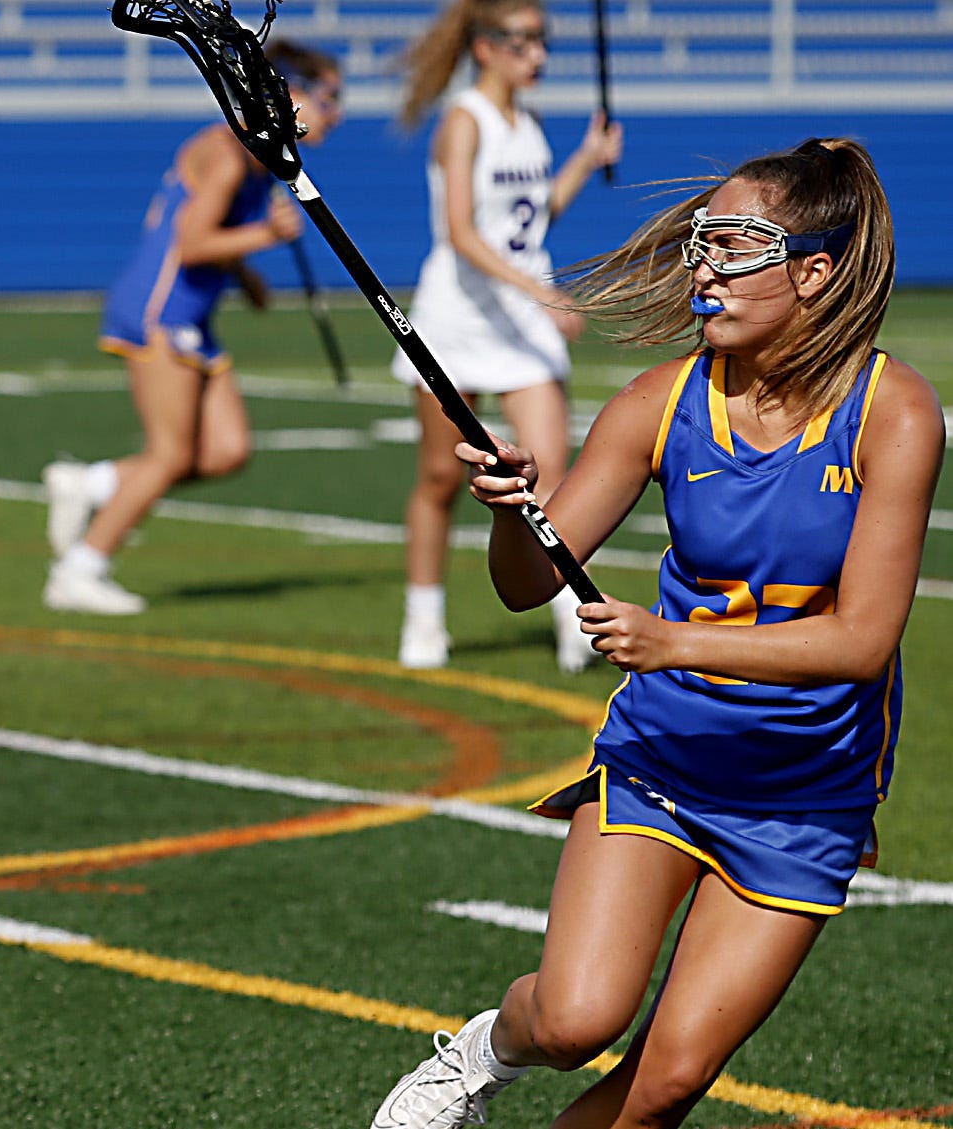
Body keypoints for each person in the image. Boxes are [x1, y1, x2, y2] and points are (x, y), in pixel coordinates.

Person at [371, 138, 935, 1129]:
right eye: (700, 242)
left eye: (735, 244)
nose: (704, 264)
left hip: (806, 798)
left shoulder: (895, 412)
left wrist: (675, 642)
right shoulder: (660, 402)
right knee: (575, 1018)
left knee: (662, 1088)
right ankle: (482, 1053)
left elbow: (861, 641)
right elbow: (527, 584)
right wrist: (512, 509)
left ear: (815, 271)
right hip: (665, 757)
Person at [40, 40, 345, 615]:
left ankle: (93, 485)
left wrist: (248, 274)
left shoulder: (259, 158)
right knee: (169, 455)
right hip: (160, 312)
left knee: (228, 450)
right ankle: (79, 572)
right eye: (328, 97)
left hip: (191, 316)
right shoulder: (231, 154)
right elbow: (192, 241)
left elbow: (211, 238)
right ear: (287, 91)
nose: (338, 112)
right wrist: (266, 239)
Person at [388, 0, 621, 670]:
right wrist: (542, 291)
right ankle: (424, 618)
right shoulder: (464, 120)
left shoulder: (532, 122)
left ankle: (569, 620)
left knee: (547, 478)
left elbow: (530, 218)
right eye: (522, 41)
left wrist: (584, 159)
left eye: (543, 41)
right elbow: (462, 233)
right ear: (485, 47)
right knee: (439, 478)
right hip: (457, 317)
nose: (538, 55)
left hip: (519, 323)